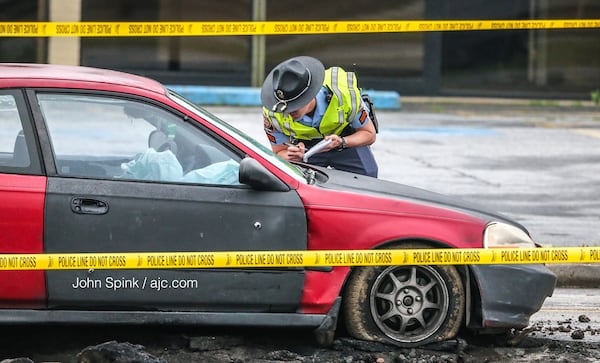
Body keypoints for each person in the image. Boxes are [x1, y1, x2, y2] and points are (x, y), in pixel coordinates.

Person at [261, 56, 378, 177]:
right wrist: (293, 155)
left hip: (346, 140)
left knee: (368, 178)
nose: (289, 111)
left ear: (311, 93)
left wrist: (342, 142)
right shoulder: (272, 113)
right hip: (305, 150)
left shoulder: (345, 96)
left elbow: (369, 134)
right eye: (284, 107)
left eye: (295, 105)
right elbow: (279, 152)